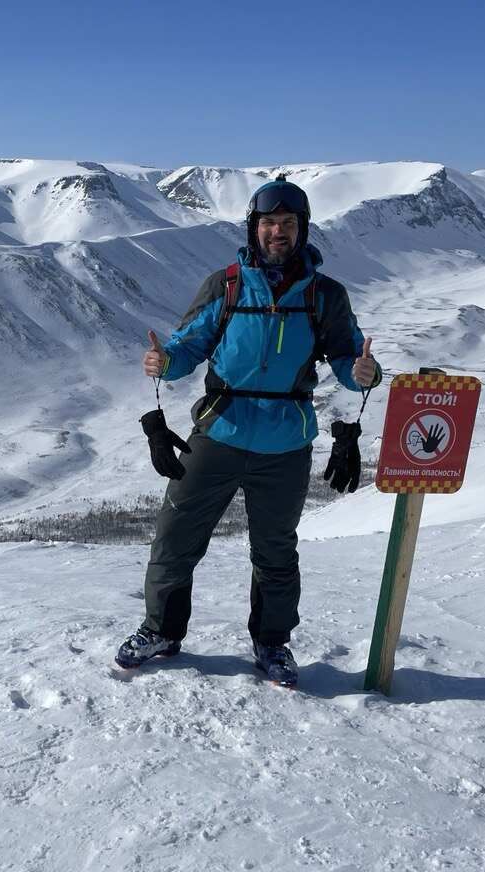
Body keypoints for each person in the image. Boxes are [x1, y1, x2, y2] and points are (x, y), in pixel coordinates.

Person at [116, 176, 381, 686]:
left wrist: (364, 373)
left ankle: (272, 644)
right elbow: (188, 347)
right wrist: (164, 361)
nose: (277, 232)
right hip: (219, 431)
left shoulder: (326, 296)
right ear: (253, 229)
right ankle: (162, 631)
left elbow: (349, 356)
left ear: (302, 230)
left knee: (275, 551)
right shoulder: (227, 285)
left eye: (287, 224)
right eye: (269, 223)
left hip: (285, 443)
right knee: (174, 538)